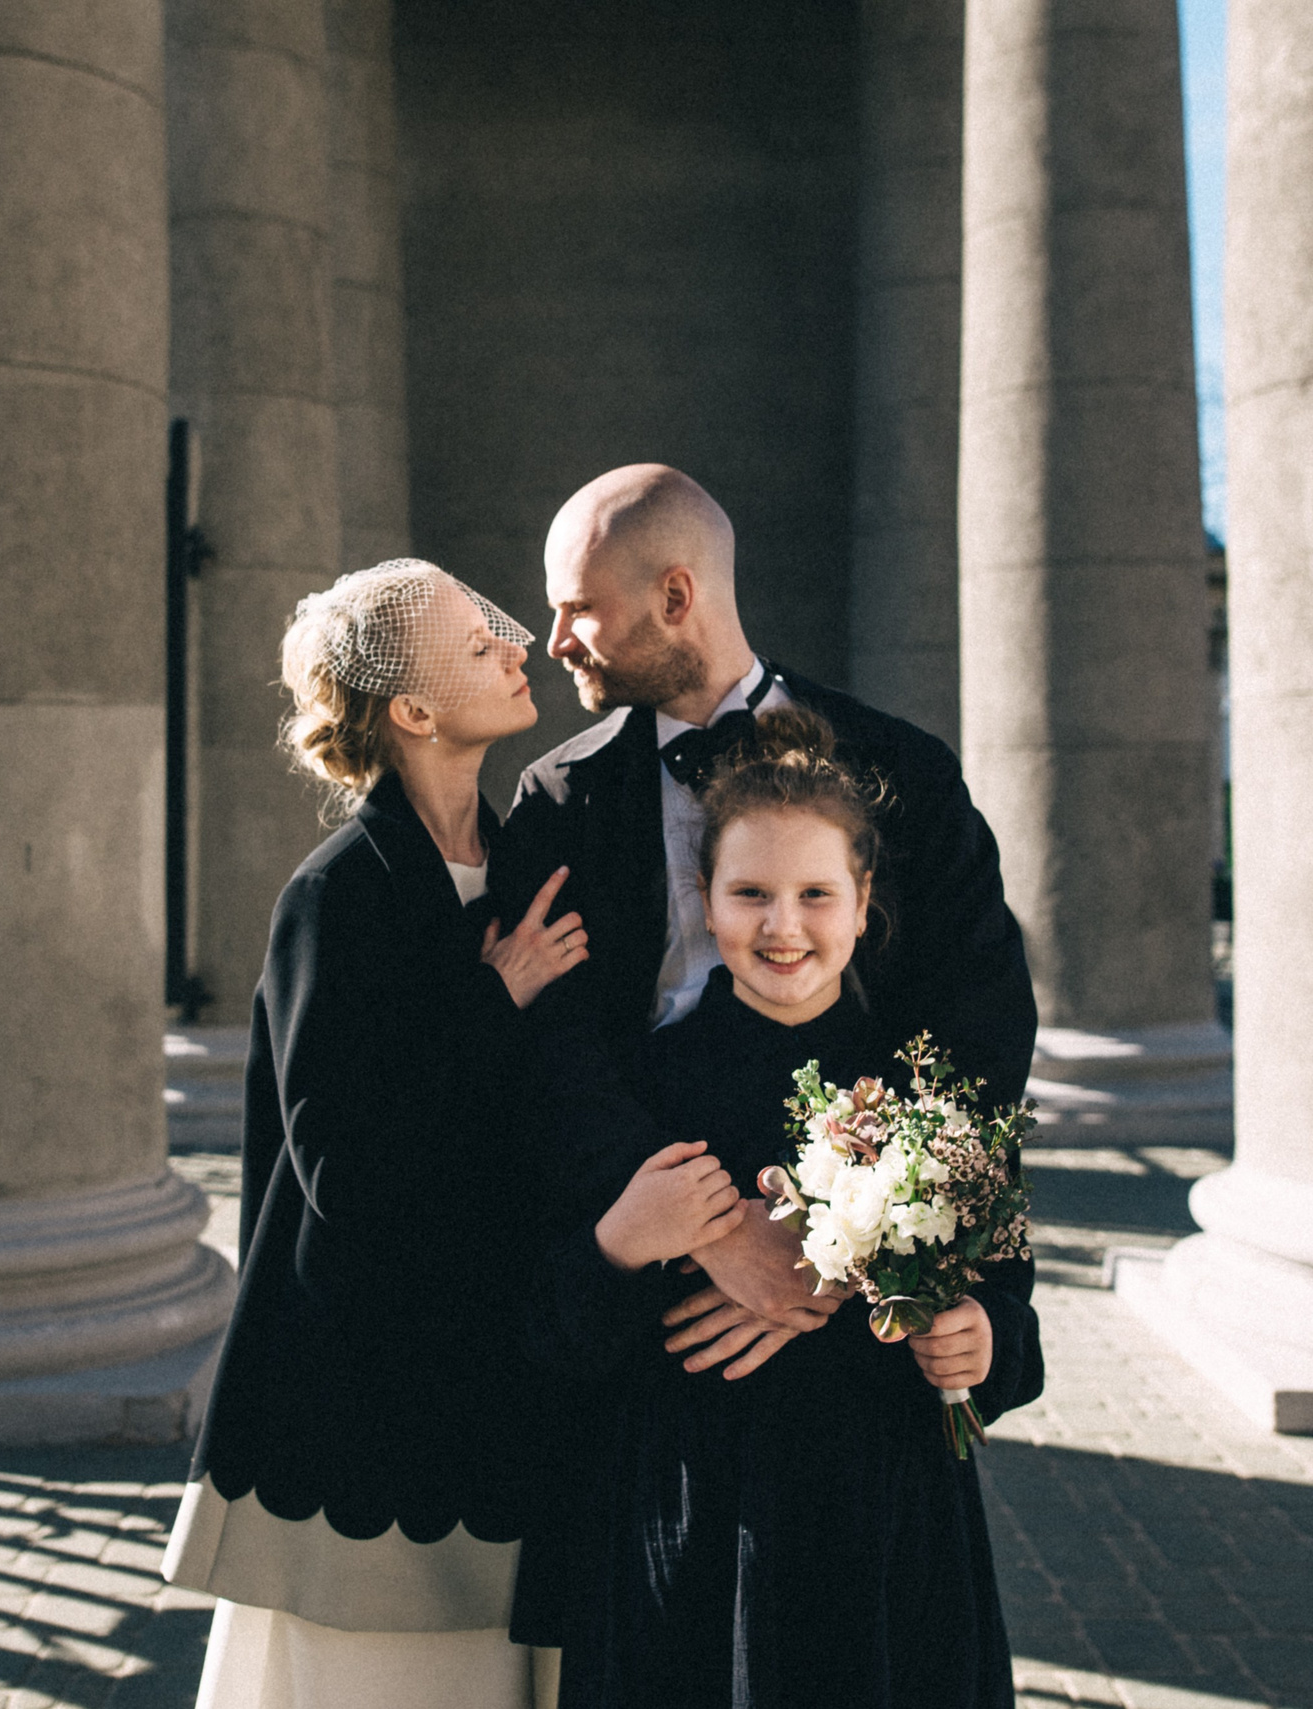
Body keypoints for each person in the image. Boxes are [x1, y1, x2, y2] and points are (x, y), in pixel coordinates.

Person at [529, 708, 1043, 1708]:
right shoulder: (642, 1095)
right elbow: (555, 1325)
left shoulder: (929, 1101)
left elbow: (1008, 1298)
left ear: (863, 902)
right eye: (750, 893)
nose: (783, 926)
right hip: (701, 1521)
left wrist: (984, 1338)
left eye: (815, 894)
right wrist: (625, 1246)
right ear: (703, 899)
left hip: (888, 1523)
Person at [492, 463, 1038, 1371]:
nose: (554, 642)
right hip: (650, 1263)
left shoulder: (906, 769)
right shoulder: (555, 799)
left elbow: (981, 1017)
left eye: (577, 609)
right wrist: (706, 1228)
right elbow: (556, 1041)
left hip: (869, 1278)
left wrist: (849, 1235)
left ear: (676, 597)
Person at [165, 560, 594, 1709]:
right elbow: (343, 1171)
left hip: (513, 1370)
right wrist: (491, 997)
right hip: (373, 1396)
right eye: (477, 644)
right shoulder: (335, 895)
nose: (517, 647)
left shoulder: (529, 867)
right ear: (411, 709)